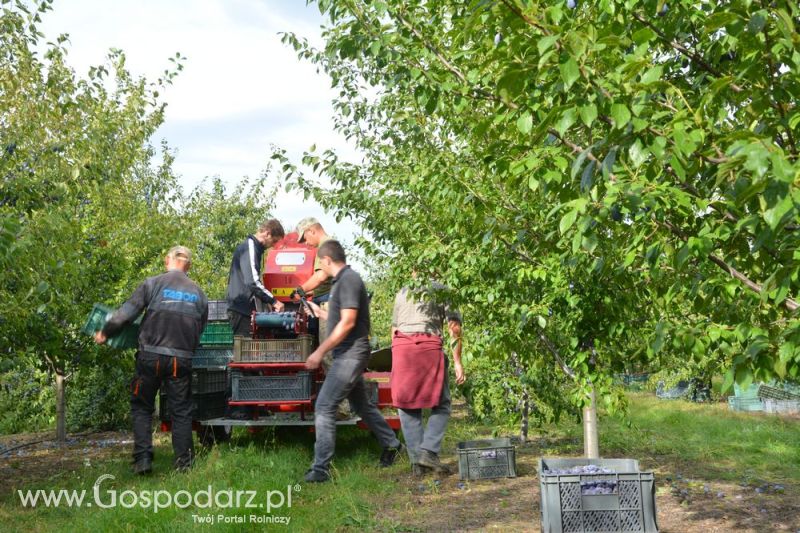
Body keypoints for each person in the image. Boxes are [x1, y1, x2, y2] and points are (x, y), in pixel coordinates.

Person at [94, 246, 208, 474]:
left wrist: (105, 332)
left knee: (142, 406)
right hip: (181, 359)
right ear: (189, 266)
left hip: (150, 356)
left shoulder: (153, 283)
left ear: (167, 261)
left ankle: (143, 461)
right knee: (181, 411)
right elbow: (201, 327)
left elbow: (127, 313)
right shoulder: (199, 293)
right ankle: (184, 465)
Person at [303, 240, 403, 483]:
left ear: (327, 260)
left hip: (350, 356)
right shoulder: (342, 282)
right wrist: (320, 313)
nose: (320, 270)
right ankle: (392, 445)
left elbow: (348, 323)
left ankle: (320, 469)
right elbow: (344, 318)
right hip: (348, 354)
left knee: (324, 407)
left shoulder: (348, 280)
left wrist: (319, 352)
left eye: (320, 265)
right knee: (362, 406)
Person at [391, 282, 465, 476]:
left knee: (407, 407)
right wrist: (457, 362)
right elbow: (454, 328)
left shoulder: (402, 291)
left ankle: (418, 463)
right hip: (427, 348)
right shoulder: (441, 289)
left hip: (401, 350)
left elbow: (394, 330)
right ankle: (428, 452)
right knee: (442, 403)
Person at [226, 219, 285, 336]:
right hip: (241, 310)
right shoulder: (250, 247)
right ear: (267, 233)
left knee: (248, 351)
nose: (273, 245)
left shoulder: (255, 249)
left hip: (243, 309)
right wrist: (274, 301)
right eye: (274, 241)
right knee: (245, 350)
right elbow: (252, 281)